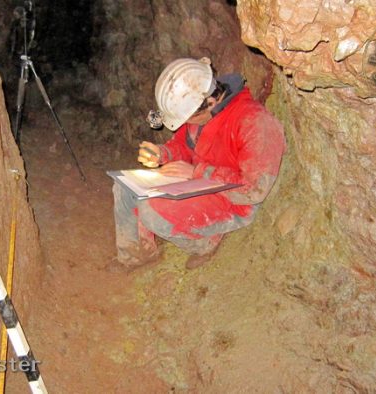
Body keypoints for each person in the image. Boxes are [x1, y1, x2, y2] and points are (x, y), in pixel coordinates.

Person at [110, 57, 286, 271]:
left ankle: (205, 243)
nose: (185, 124)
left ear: (210, 103)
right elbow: (183, 145)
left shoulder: (255, 123)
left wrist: (198, 171)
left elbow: (253, 190)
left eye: (188, 118)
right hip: (197, 184)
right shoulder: (201, 114)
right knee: (124, 188)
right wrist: (162, 154)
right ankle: (138, 254)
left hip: (229, 201)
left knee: (151, 210)